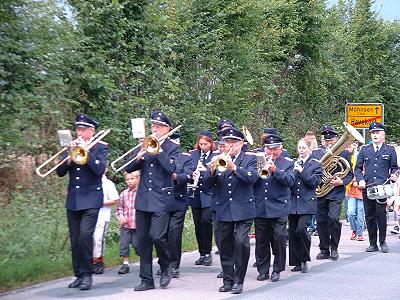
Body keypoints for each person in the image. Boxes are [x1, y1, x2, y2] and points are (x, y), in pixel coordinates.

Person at [125, 110, 180, 291]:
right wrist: (140, 153)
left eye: (159, 126)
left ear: (167, 129)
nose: (155, 129)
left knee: (157, 236)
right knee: (144, 241)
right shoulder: (144, 143)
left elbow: (171, 168)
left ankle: (166, 267)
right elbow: (128, 167)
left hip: (162, 199)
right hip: (143, 199)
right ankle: (146, 280)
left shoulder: (172, 146)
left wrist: (158, 150)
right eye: (153, 126)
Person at [56, 113, 109, 290]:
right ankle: (78, 274)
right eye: (78, 129)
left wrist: (86, 152)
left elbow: (99, 169)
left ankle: (88, 275)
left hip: (92, 198)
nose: (79, 132)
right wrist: (69, 158)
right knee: (75, 239)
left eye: (83, 129)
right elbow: (60, 171)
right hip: (73, 200)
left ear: (92, 131)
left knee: (86, 236)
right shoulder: (71, 147)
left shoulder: (100, 147)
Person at [204, 127, 258, 294]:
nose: (230, 145)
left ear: (241, 143)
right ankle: (228, 279)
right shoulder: (217, 158)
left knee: (241, 242)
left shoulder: (250, 159)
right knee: (225, 245)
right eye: (227, 142)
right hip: (224, 209)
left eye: (234, 142)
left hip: (244, 208)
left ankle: (239, 280)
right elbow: (207, 185)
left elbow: (252, 178)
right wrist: (211, 172)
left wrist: (234, 168)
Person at [253, 134, 295, 282]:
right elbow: (252, 180)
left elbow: (290, 181)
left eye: (275, 149)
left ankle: (277, 269)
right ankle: (263, 270)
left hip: (279, 206)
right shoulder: (257, 160)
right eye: (269, 149)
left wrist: (275, 170)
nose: (271, 152)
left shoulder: (288, 163)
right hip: (261, 206)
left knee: (279, 238)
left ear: (281, 148)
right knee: (261, 241)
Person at [355, 122, 398, 253]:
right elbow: (357, 168)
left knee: (381, 215)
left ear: (383, 134)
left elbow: (395, 168)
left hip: (382, 187)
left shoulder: (390, 150)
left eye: (377, 132)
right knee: (369, 216)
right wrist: (361, 180)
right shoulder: (364, 149)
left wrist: (394, 175)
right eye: (373, 133)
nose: (375, 135)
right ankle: (372, 243)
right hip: (368, 187)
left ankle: (382, 241)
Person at [316, 125, 353, 261]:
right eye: (326, 140)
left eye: (331, 140)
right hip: (320, 192)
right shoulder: (317, 153)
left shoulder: (344, 154)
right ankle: (324, 249)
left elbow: (350, 174)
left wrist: (341, 182)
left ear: (336, 139)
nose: (329, 143)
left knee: (333, 219)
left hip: (336, 193)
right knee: (321, 221)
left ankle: (334, 248)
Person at [289, 138, 323, 273]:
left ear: (310, 149)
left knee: (301, 230)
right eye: (299, 148)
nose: (301, 151)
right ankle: (296, 261)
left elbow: (314, 182)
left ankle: (303, 259)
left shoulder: (316, 164)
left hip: (307, 202)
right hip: (293, 203)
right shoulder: (292, 162)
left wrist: (301, 171)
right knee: (292, 233)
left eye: (304, 148)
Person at [166, 133, 195, 277]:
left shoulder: (185, 158)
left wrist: (176, 177)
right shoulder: (160, 156)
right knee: (161, 234)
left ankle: (173, 265)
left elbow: (189, 176)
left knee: (174, 234)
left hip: (178, 200)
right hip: (162, 201)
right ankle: (164, 263)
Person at [188, 130, 216, 266]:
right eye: (201, 144)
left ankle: (208, 252)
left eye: (205, 144)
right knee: (198, 224)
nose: (203, 146)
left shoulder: (216, 156)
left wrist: (205, 170)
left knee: (206, 221)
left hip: (209, 193)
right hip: (195, 193)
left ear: (211, 144)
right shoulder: (193, 154)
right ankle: (202, 253)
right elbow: (187, 168)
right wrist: (193, 172)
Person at [92, 167, 119, 274]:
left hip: (102, 216)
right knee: (89, 238)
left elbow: (115, 200)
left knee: (98, 239)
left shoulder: (108, 183)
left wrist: (100, 202)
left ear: (105, 170)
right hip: (90, 215)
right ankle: (90, 260)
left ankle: (98, 261)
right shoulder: (90, 182)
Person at [116, 171, 141, 274]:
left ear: (138, 179)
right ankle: (125, 264)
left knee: (137, 244)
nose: (129, 181)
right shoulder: (124, 194)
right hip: (126, 224)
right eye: (127, 179)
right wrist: (121, 217)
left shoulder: (141, 192)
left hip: (137, 224)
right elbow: (119, 209)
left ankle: (143, 256)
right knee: (124, 244)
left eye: (132, 179)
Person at [346, 142, 365, 241]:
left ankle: (360, 233)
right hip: (352, 190)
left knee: (361, 213)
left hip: (362, 190)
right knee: (351, 212)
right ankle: (354, 229)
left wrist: (359, 181)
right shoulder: (351, 158)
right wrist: (353, 180)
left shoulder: (365, 161)